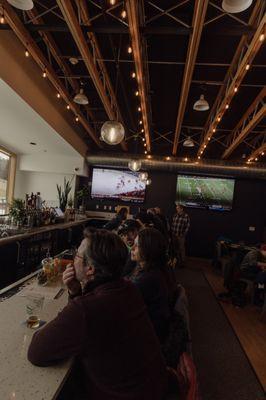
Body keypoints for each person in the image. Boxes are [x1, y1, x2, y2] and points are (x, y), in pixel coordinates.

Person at [28, 230, 168, 400]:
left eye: (77, 255)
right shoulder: (128, 289)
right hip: (153, 389)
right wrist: (75, 292)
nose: (73, 259)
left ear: (90, 269)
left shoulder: (87, 309)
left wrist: (75, 303)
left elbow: (37, 351)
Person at [128, 227, 176, 344]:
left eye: (137, 245)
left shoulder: (148, 279)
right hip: (156, 332)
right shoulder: (159, 269)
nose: (132, 248)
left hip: (148, 339)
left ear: (148, 250)